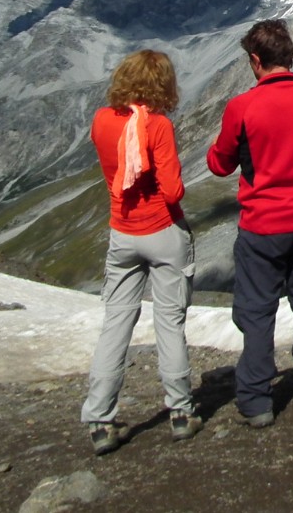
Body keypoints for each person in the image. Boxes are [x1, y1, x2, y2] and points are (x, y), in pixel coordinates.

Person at [207, 19, 293, 426]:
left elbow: (220, 163)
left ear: (255, 61)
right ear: (291, 57)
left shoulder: (242, 107)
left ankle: (257, 400)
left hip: (263, 225)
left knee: (257, 312)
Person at [82, 49, 199, 455]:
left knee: (116, 324)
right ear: (163, 85)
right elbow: (172, 192)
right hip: (163, 231)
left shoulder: (101, 120)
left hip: (122, 232)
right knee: (169, 322)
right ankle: (181, 412)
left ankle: (100, 419)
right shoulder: (158, 125)